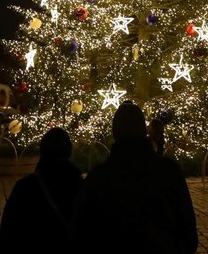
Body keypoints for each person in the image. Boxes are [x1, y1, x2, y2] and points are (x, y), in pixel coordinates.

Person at [72, 101, 198, 253]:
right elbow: (187, 229)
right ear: (144, 131)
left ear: (115, 132)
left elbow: (80, 232)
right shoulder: (169, 172)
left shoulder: (99, 178)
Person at [0, 127, 83, 253]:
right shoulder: (82, 187)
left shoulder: (25, 188)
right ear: (69, 152)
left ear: (42, 151)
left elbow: (8, 234)